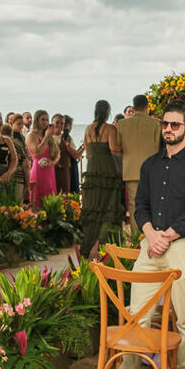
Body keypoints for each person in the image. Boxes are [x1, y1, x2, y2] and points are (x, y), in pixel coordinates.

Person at [104, 108, 185, 369]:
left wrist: (168, 236)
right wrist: (151, 234)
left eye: (175, 124)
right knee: (136, 316)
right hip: (150, 245)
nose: (168, 129)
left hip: (181, 246)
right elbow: (140, 206)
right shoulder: (150, 165)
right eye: (165, 124)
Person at [77, 101, 126, 258]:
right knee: (109, 205)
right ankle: (109, 245)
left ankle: (88, 244)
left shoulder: (87, 129)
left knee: (93, 207)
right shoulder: (110, 128)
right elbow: (114, 148)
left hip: (92, 170)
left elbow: (88, 153)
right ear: (107, 112)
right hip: (107, 169)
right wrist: (127, 148)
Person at [114, 94, 161, 212]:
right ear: (147, 106)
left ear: (134, 107)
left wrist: (127, 158)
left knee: (134, 204)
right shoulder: (155, 123)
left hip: (131, 169)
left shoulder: (122, 124)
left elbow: (118, 148)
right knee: (151, 203)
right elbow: (158, 148)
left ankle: (136, 230)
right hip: (151, 170)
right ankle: (149, 230)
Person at [26, 109, 58, 210]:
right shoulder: (31, 135)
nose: (45, 122)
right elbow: (37, 152)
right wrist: (47, 137)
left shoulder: (47, 136)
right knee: (38, 199)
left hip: (49, 170)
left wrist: (52, 163)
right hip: (38, 169)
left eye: (47, 120)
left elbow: (58, 153)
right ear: (37, 120)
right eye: (43, 119)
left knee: (50, 199)